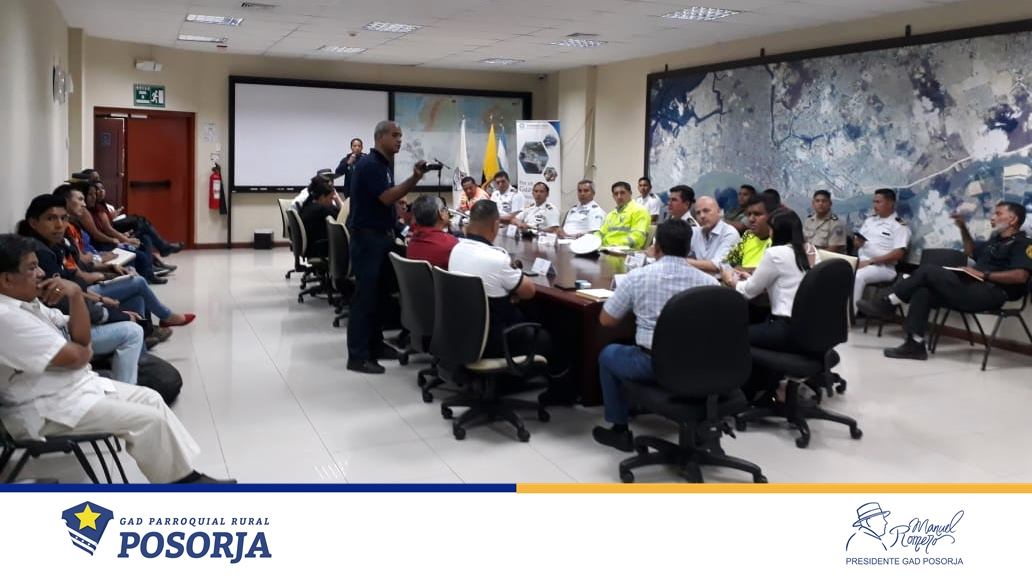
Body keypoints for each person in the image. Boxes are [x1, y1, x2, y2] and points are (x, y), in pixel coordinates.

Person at [0, 235, 233, 484]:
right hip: (47, 411)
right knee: (148, 420)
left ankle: (184, 476)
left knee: (152, 399)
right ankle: (183, 486)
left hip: (69, 389)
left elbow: (80, 338)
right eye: (32, 268)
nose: (42, 273)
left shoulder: (28, 303)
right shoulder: (7, 318)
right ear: (6, 279)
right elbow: (79, 356)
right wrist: (83, 350)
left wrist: (76, 296)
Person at [592, 220, 718, 451]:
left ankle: (619, 429)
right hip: (698, 366)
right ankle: (702, 428)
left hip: (651, 364)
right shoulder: (710, 283)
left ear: (656, 247)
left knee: (608, 355)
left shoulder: (637, 277)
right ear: (689, 248)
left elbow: (606, 320)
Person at [858, 201, 1032, 361]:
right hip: (973, 288)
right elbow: (970, 252)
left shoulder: (1024, 244)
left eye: (998, 213)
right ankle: (914, 344)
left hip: (993, 293)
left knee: (928, 270)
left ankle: (889, 302)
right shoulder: (994, 241)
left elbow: (1020, 276)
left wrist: (983, 275)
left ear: (1013, 219)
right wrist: (962, 228)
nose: (992, 217)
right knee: (924, 290)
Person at [18, 195, 194, 330]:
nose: (59, 225)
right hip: (75, 311)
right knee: (137, 282)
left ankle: (145, 334)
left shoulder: (55, 243)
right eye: (51, 219)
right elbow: (66, 296)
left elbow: (76, 271)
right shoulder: (40, 254)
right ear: (33, 223)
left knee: (136, 289)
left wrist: (108, 269)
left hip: (85, 290)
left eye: (63, 218)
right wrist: (102, 298)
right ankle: (161, 319)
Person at [346, 121, 427, 374]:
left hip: (381, 238)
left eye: (401, 135)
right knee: (364, 299)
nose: (399, 140)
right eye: (394, 135)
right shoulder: (370, 165)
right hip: (367, 240)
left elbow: (387, 205)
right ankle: (358, 356)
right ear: (380, 137)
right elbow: (387, 197)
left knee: (379, 296)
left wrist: (401, 228)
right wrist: (415, 178)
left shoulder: (383, 164)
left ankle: (375, 345)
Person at [721, 211, 816, 399]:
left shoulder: (775, 253)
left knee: (730, 335)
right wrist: (754, 279)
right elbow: (790, 280)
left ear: (776, 231)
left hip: (785, 328)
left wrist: (730, 280)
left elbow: (747, 292)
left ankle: (745, 392)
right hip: (809, 329)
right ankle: (766, 386)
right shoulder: (810, 250)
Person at [448, 200, 537, 358]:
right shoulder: (497, 258)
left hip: (463, 333)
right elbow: (529, 292)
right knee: (543, 337)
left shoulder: (456, 249)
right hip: (494, 340)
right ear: (496, 225)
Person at [853, 188, 910, 312]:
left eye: (878, 202)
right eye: (874, 202)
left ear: (890, 203)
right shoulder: (869, 221)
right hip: (861, 262)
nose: (875, 205)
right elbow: (856, 243)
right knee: (838, 271)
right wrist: (858, 243)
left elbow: (898, 253)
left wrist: (871, 261)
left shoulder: (899, 225)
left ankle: (849, 316)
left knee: (858, 276)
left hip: (883, 267)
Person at [722, 192, 776, 272]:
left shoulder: (778, 241)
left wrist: (744, 270)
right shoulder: (748, 235)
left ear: (771, 216)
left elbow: (772, 271)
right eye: (749, 214)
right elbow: (727, 261)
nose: (751, 219)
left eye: (757, 214)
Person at [687, 196, 741, 274]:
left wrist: (682, 261)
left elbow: (717, 266)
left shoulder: (730, 233)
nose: (702, 216)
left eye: (706, 211)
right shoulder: (695, 232)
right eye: (698, 213)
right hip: (699, 278)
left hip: (721, 281)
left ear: (718, 212)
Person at [407, 195, 458, 270]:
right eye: (445, 209)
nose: (447, 212)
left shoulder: (412, 240)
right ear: (441, 213)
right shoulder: (451, 244)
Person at [599, 181, 651, 250]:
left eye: (622, 193)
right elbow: (601, 233)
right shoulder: (611, 214)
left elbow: (638, 237)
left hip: (626, 252)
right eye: (616, 194)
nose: (619, 197)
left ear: (630, 193)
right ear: (613, 196)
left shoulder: (640, 210)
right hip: (606, 250)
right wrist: (594, 241)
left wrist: (615, 246)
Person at [298, 177, 339, 259]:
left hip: (311, 247)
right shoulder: (321, 209)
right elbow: (342, 216)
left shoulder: (307, 204)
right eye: (331, 198)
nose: (332, 201)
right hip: (318, 249)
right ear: (322, 197)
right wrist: (338, 200)